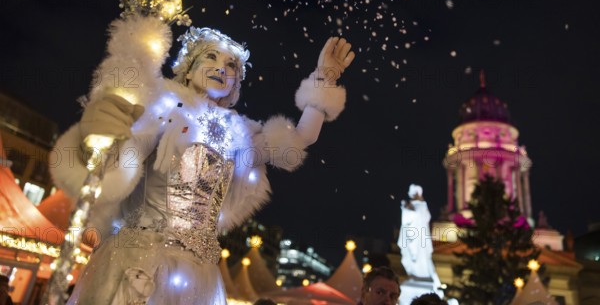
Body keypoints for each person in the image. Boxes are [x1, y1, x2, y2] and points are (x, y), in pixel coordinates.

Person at [50, 26, 355, 304]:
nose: (222, 68)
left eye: (231, 65)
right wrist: (107, 135)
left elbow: (299, 140)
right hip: (140, 262)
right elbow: (120, 165)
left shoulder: (240, 132)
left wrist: (324, 78)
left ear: (237, 83)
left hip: (198, 277)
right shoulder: (162, 105)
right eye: (211, 57)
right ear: (189, 67)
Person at [397, 184, 442, 294]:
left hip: (420, 239)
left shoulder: (421, 206)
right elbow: (407, 221)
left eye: (413, 193)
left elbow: (422, 217)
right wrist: (405, 209)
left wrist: (408, 210)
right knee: (410, 257)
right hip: (412, 237)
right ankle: (415, 274)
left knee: (420, 257)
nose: (411, 195)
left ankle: (421, 275)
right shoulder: (413, 205)